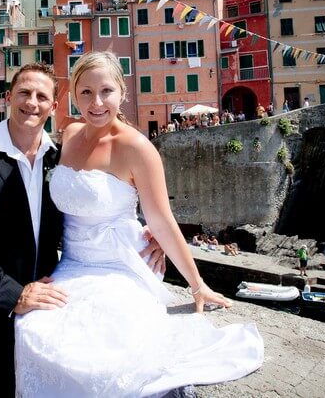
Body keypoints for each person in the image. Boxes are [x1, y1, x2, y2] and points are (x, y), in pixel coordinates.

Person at [14, 52, 263, 396]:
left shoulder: (137, 148)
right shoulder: (68, 134)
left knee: (105, 350)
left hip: (120, 267)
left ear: (121, 92)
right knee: (35, 327)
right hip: (71, 266)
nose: (96, 102)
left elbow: (162, 221)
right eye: (85, 92)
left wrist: (197, 284)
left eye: (106, 91)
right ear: (72, 95)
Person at [0, 62, 167, 395]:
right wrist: (13, 294)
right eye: (24, 93)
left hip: (45, 319)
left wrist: (148, 232)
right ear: (8, 97)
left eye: (41, 96)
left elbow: (85, 212)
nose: (32, 102)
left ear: (54, 106)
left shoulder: (59, 159)